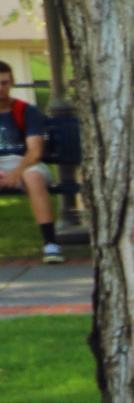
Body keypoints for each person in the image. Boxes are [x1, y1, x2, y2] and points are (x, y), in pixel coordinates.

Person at [1, 65, 51, 260]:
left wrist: (16, 171)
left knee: (34, 177)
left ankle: (51, 244)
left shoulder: (26, 111)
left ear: (12, 83)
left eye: (4, 82)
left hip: (25, 162)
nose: (0, 87)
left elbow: (35, 150)